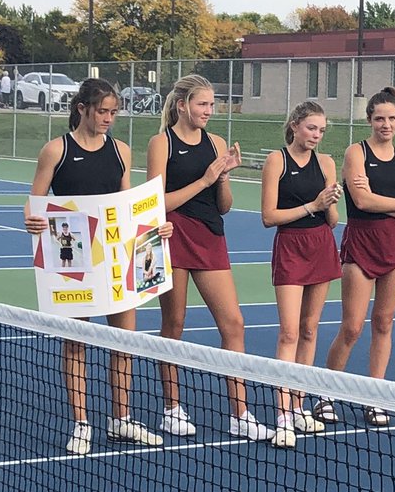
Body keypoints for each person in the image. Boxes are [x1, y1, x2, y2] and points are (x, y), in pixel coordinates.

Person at [23, 78, 168, 456]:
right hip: (74, 259)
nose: (107, 118)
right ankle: (81, 423)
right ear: (82, 109)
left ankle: (121, 418)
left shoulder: (121, 151)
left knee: (124, 342)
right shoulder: (56, 150)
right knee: (77, 343)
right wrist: (32, 221)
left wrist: (156, 225)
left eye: (113, 112)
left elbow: (128, 204)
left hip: (117, 259)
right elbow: (34, 201)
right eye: (101, 111)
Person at [147, 73, 273, 440]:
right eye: (202, 104)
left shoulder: (216, 142)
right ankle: (171, 408)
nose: (209, 110)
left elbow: (226, 206)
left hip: (210, 236)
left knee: (234, 323)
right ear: (183, 105)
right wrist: (204, 179)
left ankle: (240, 413)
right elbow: (154, 204)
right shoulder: (162, 143)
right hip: (171, 234)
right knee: (175, 323)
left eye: (212, 104)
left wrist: (221, 178)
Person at [316, 86, 395, 428]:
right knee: (351, 327)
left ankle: (373, 396)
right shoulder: (355, 153)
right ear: (370, 120)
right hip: (361, 245)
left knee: (384, 323)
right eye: (380, 118)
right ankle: (326, 393)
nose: (386, 124)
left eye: (392, 118)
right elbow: (362, 203)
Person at [260, 101, 342, 448]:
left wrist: (331, 200)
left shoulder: (326, 163)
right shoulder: (277, 160)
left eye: (321, 130)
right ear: (295, 125)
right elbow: (268, 216)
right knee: (289, 332)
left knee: (310, 329)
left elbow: (334, 219)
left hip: (321, 245)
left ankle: (299, 404)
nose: (316, 135)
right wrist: (312, 205)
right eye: (311, 128)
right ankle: (281, 414)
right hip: (291, 247)